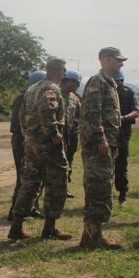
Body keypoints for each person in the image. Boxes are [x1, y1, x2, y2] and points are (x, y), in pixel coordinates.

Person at [7, 57, 72, 241]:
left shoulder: (32, 88)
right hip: (48, 144)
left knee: (30, 183)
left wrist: (28, 134)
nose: (63, 74)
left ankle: (16, 226)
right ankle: (50, 228)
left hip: (31, 143)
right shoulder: (51, 88)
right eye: (63, 71)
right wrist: (54, 134)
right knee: (57, 182)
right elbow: (47, 111)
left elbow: (22, 114)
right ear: (58, 70)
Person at [78, 47, 126, 249]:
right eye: (119, 60)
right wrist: (101, 139)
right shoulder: (98, 82)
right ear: (108, 60)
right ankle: (94, 237)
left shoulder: (110, 83)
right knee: (99, 189)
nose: (122, 64)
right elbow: (92, 113)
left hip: (107, 144)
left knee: (98, 188)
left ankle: (90, 236)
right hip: (98, 146)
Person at [7, 70, 45, 221]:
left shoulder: (32, 96)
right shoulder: (23, 97)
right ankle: (14, 210)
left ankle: (33, 207)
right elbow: (17, 124)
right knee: (23, 177)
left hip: (29, 140)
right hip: (22, 141)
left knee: (34, 177)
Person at [114, 72, 139, 206]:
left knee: (121, 163)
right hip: (106, 132)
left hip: (123, 132)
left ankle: (122, 194)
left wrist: (124, 118)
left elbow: (136, 111)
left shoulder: (128, 92)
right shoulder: (104, 90)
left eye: (117, 80)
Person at [61, 70, 83, 198]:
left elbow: (82, 114)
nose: (78, 86)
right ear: (70, 81)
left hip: (69, 137)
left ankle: (64, 188)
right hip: (55, 138)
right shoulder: (54, 94)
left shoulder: (73, 98)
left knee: (68, 162)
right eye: (77, 83)